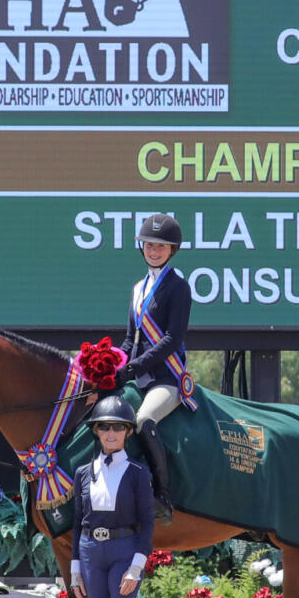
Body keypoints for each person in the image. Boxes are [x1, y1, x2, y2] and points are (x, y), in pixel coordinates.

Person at [118, 212, 192, 523]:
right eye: (149, 245)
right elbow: (128, 339)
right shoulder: (138, 289)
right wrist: (113, 364)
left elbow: (173, 339)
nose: (153, 250)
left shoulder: (178, 287)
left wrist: (134, 367)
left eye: (160, 246)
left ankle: (162, 495)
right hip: (139, 375)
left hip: (167, 377)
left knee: (145, 418)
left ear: (171, 250)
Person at [71, 395, 156, 598]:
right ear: (96, 431)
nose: (111, 432)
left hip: (124, 551)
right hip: (90, 552)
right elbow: (77, 522)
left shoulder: (138, 474)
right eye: (104, 426)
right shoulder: (82, 473)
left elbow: (148, 522)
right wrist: (75, 571)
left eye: (118, 426)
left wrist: (137, 566)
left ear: (127, 432)